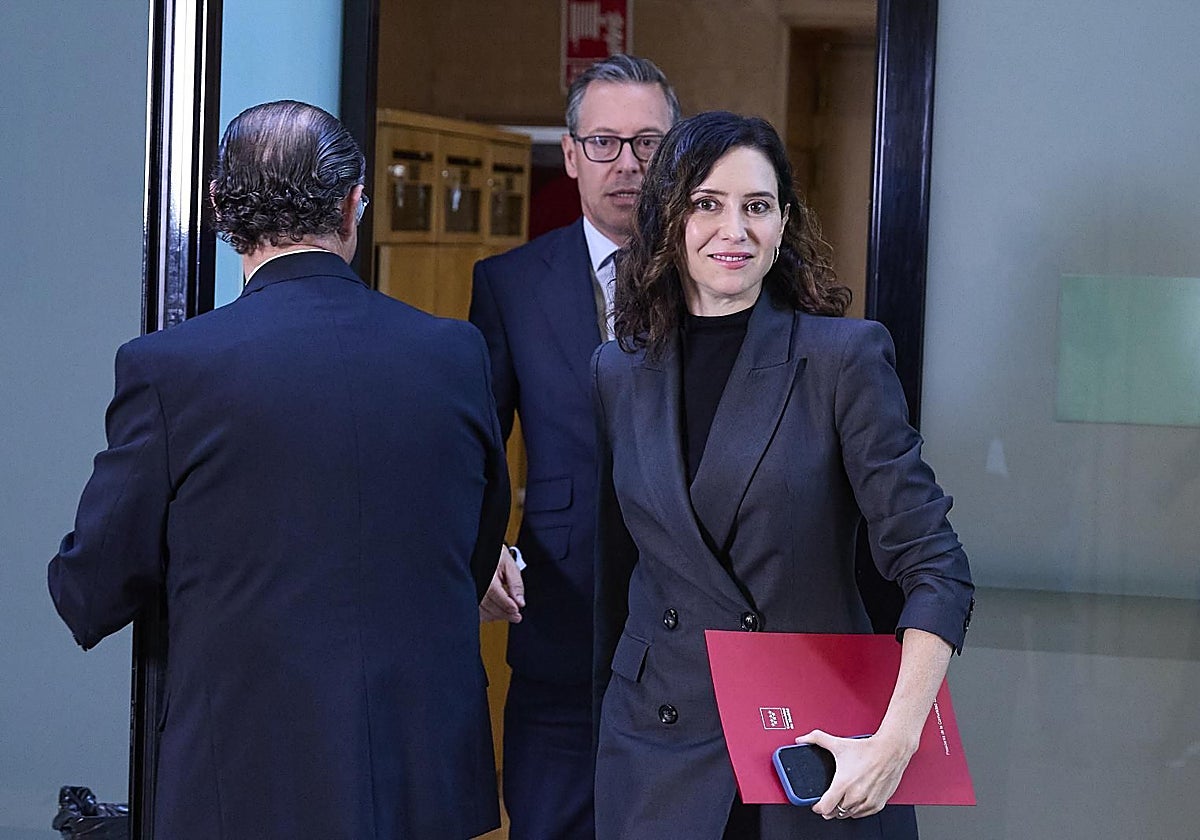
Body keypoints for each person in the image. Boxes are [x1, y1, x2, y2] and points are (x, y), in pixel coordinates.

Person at [48, 100, 510, 840]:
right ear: (353, 203)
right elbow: (475, 547)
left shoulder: (170, 369)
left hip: (244, 777)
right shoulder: (454, 353)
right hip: (420, 776)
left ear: (219, 209)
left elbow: (93, 588)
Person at [591, 111, 975, 840]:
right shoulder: (618, 371)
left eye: (757, 206)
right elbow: (615, 582)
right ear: (669, 218)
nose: (733, 229)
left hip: (813, 745)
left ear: (783, 224)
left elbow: (938, 569)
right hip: (654, 750)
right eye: (707, 203)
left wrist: (894, 743)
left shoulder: (843, 359)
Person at [468, 54, 680, 839]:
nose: (627, 163)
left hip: (693, 620)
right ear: (570, 153)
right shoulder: (511, 283)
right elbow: (477, 444)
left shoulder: (717, 272)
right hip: (561, 610)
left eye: (648, 143)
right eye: (604, 143)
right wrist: (480, 548)